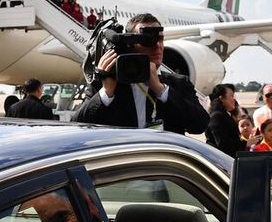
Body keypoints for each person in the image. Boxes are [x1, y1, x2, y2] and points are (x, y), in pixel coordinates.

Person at [73, 13, 208, 134]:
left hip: (163, 161)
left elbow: (199, 125)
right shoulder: (107, 83)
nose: (157, 46)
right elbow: (77, 126)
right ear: (130, 44)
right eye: (147, 40)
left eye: (160, 39)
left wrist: (161, 90)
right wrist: (106, 93)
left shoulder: (178, 83)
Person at [205, 83, 245, 156]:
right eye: (231, 96)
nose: (234, 99)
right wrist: (245, 143)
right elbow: (223, 144)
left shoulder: (224, 115)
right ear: (222, 99)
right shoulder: (217, 117)